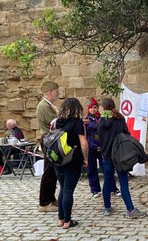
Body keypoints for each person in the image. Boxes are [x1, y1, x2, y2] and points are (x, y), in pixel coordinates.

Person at [98, 98, 147, 219]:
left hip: (106, 155)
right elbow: (126, 134)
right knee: (123, 183)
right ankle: (130, 210)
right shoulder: (119, 119)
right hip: (119, 155)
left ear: (103, 108)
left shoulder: (100, 121)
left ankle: (107, 207)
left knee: (107, 181)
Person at [54, 98, 88, 229]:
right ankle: (68, 221)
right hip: (73, 159)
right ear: (77, 109)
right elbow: (83, 143)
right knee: (68, 190)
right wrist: (86, 159)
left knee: (63, 188)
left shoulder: (58, 122)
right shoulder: (78, 123)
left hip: (58, 160)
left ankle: (61, 219)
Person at [84, 97, 120, 198]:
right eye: (91, 108)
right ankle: (94, 189)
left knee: (107, 168)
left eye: (95, 107)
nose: (93, 110)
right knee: (92, 168)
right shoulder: (86, 120)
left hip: (102, 144)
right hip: (91, 144)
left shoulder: (102, 118)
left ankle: (113, 188)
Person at [36, 81, 59, 212]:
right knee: (49, 171)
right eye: (56, 91)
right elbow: (54, 123)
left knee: (53, 171)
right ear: (49, 92)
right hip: (49, 139)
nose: (57, 93)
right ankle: (44, 203)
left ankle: (50, 197)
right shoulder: (44, 106)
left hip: (51, 139)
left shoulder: (48, 105)